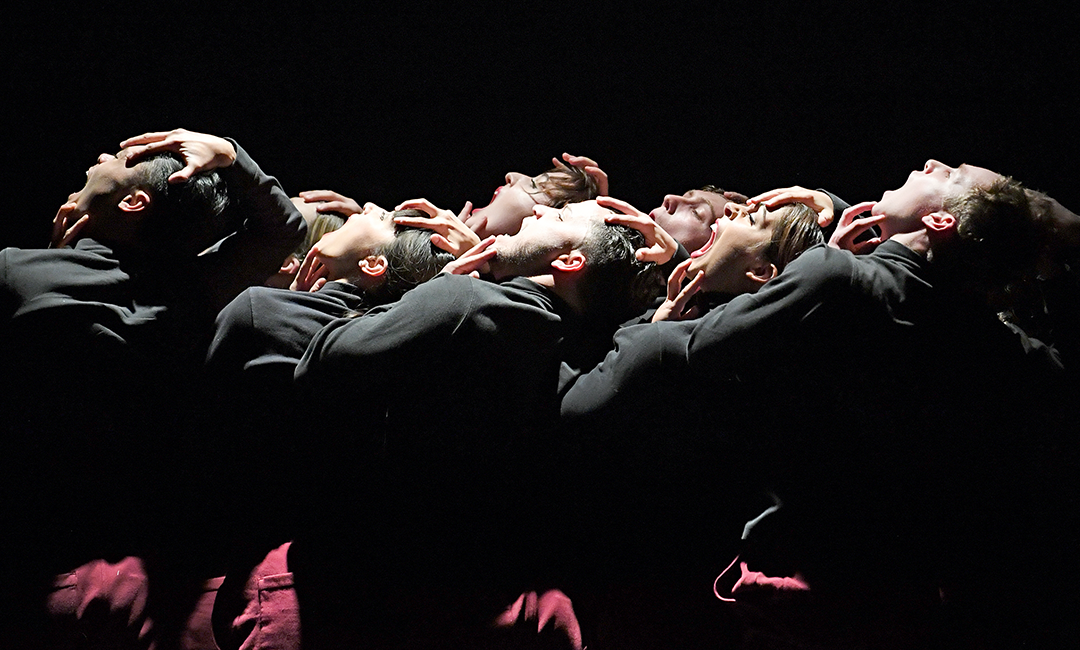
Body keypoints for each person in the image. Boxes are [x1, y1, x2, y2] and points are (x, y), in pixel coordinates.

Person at [284, 199, 663, 649]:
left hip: (379, 593)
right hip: (485, 594)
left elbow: (322, 365)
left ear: (568, 261)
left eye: (558, 218)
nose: (535, 214)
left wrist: (429, 290)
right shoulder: (590, 347)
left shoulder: (463, 303)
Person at [0, 128, 306, 647]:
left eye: (117, 160)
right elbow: (284, 229)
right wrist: (230, 156)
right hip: (157, 572)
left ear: (135, 201)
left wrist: (49, 261)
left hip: (38, 565)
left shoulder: (16, 274)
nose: (101, 155)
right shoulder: (194, 287)